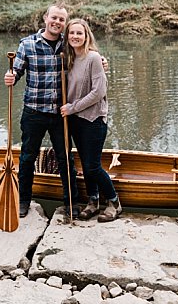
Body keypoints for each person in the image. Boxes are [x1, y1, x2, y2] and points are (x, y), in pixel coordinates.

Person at [4, 4, 81, 218]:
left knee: (65, 158)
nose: (57, 22)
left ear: (65, 23)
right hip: (34, 112)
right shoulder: (27, 44)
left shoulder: (69, 45)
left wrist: (102, 61)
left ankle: (71, 203)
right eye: (54, 18)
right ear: (46, 18)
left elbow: (87, 60)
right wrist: (10, 77)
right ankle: (23, 201)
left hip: (60, 114)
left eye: (61, 20)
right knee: (27, 157)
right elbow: (16, 71)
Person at [60, 18, 122, 222]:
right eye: (71, 33)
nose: (75, 37)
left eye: (79, 33)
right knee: (86, 165)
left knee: (93, 166)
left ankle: (114, 202)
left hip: (94, 119)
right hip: (76, 120)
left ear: (86, 36)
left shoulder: (94, 58)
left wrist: (73, 107)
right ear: (67, 36)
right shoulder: (69, 58)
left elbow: (99, 92)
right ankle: (93, 202)